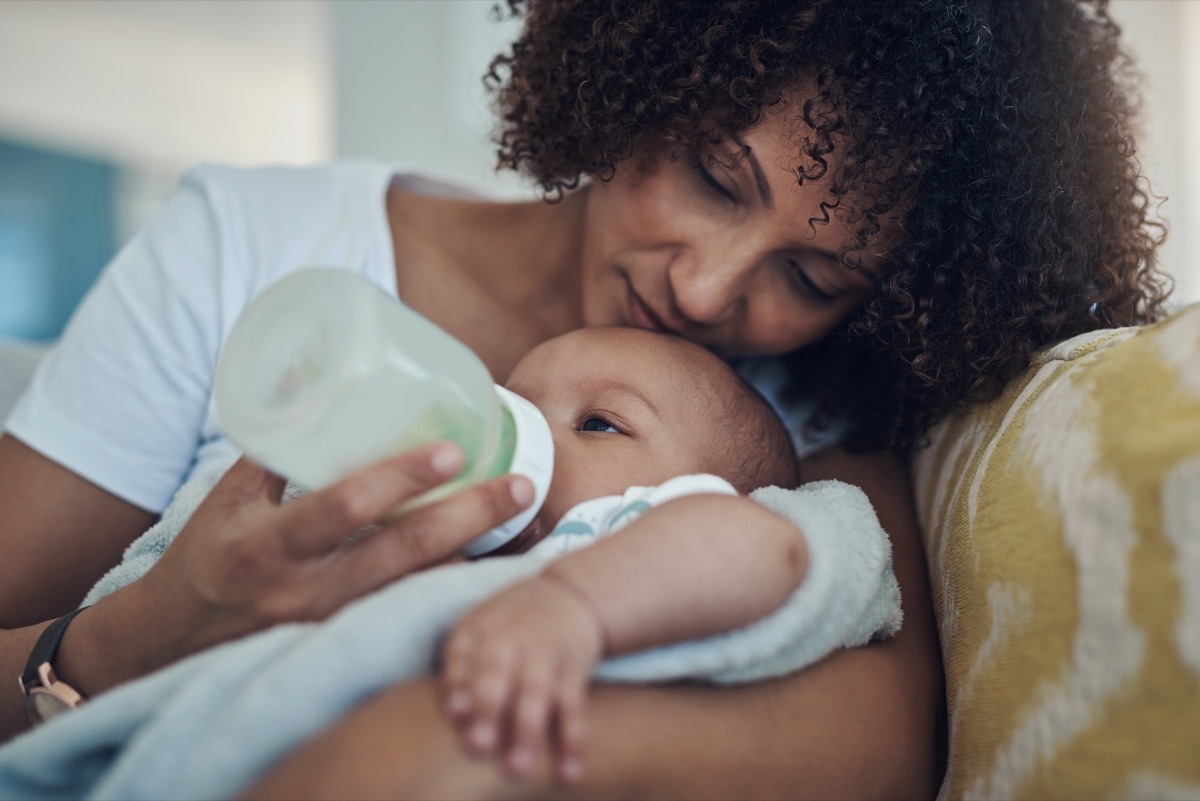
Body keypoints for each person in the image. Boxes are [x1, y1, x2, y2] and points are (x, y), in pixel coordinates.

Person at [0, 0, 1170, 797]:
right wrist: (143, 633)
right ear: (642, 61)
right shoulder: (255, 248)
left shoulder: (815, 421)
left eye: (812, 278)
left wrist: (429, 749)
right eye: (717, 176)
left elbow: (882, 748)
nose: (710, 289)